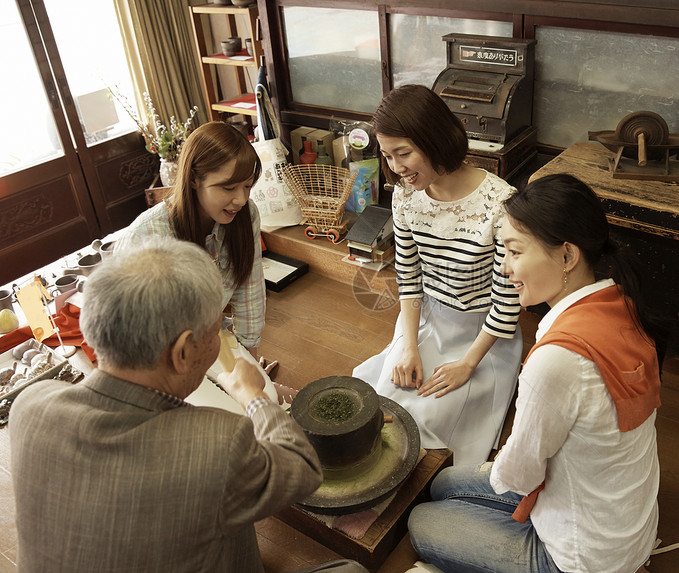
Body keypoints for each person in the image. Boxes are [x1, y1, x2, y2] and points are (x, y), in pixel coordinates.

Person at [9, 237, 366, 573]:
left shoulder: (29, 406)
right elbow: (301, 470)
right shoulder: (215, 443)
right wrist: (252, 396)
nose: (220, 341)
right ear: (182, 352)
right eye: (216, 332)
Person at [407, 173, 663, 573]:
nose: (506, 269)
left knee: (421, 523)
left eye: (514, 251)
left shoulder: (557, 361)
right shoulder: (620, 304)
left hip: (584, 558)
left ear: (566, 256)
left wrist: (503, 466)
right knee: (442, 485)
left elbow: (521, 474)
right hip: (623, 526)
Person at [352, 84, 522, 466]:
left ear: (436, 139)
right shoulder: (405, 195)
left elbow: (508, 301)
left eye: (404, 153)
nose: (396, 168)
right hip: (425, 320)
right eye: (387, 155)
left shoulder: (500, 203)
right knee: (386, 401)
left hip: (482, 337)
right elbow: (409, 277)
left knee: (428, 419)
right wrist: (409, 344)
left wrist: (467, 364)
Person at [115, 120, 279, 375]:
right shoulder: (149, 236)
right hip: (156, 352)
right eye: (228, 187)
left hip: (206, 336)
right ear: (193, 179)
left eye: (247, 186)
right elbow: (142, 330)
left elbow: (250, 287)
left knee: (261, 394)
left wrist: (249, 360)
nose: (241, 199)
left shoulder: (246, 215)